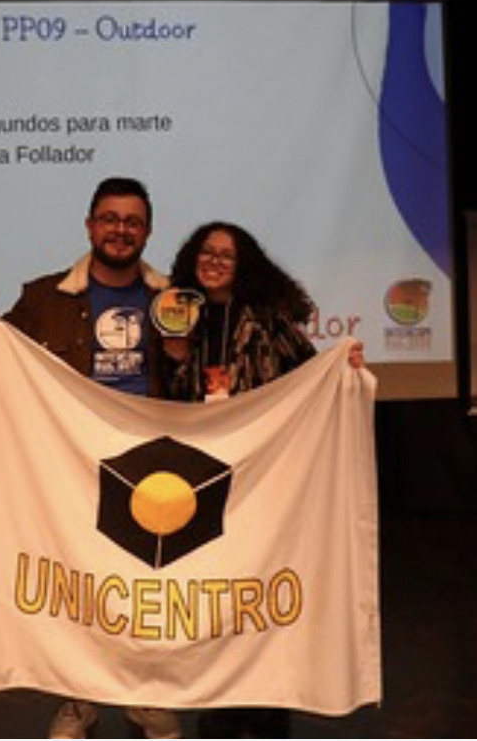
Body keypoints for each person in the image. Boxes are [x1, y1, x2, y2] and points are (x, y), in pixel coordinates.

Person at [0, 176, 180, 740]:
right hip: (71, 461)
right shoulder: (43, 297)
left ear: (148, 231)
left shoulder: (174, 299)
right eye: (110, 219)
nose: (120, 230)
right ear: (90, 226)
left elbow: (219, 360)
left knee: (147, 583)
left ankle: (145, 695)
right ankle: (80, 698)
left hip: (153, 461)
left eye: (132, 221)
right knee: (81, 583)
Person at [159, 220, 364, 737]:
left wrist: (346, 365)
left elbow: (312, 377)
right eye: (206, 252)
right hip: (202, 477)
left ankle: (267, 709)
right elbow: (165, 403)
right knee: (217, 596)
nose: (214, 261)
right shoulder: (178, 315)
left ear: (243, 265)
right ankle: (220, 704)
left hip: (264, 477)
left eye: (226, 255)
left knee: (259, 593)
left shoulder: (270, 319)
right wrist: (177, 356)